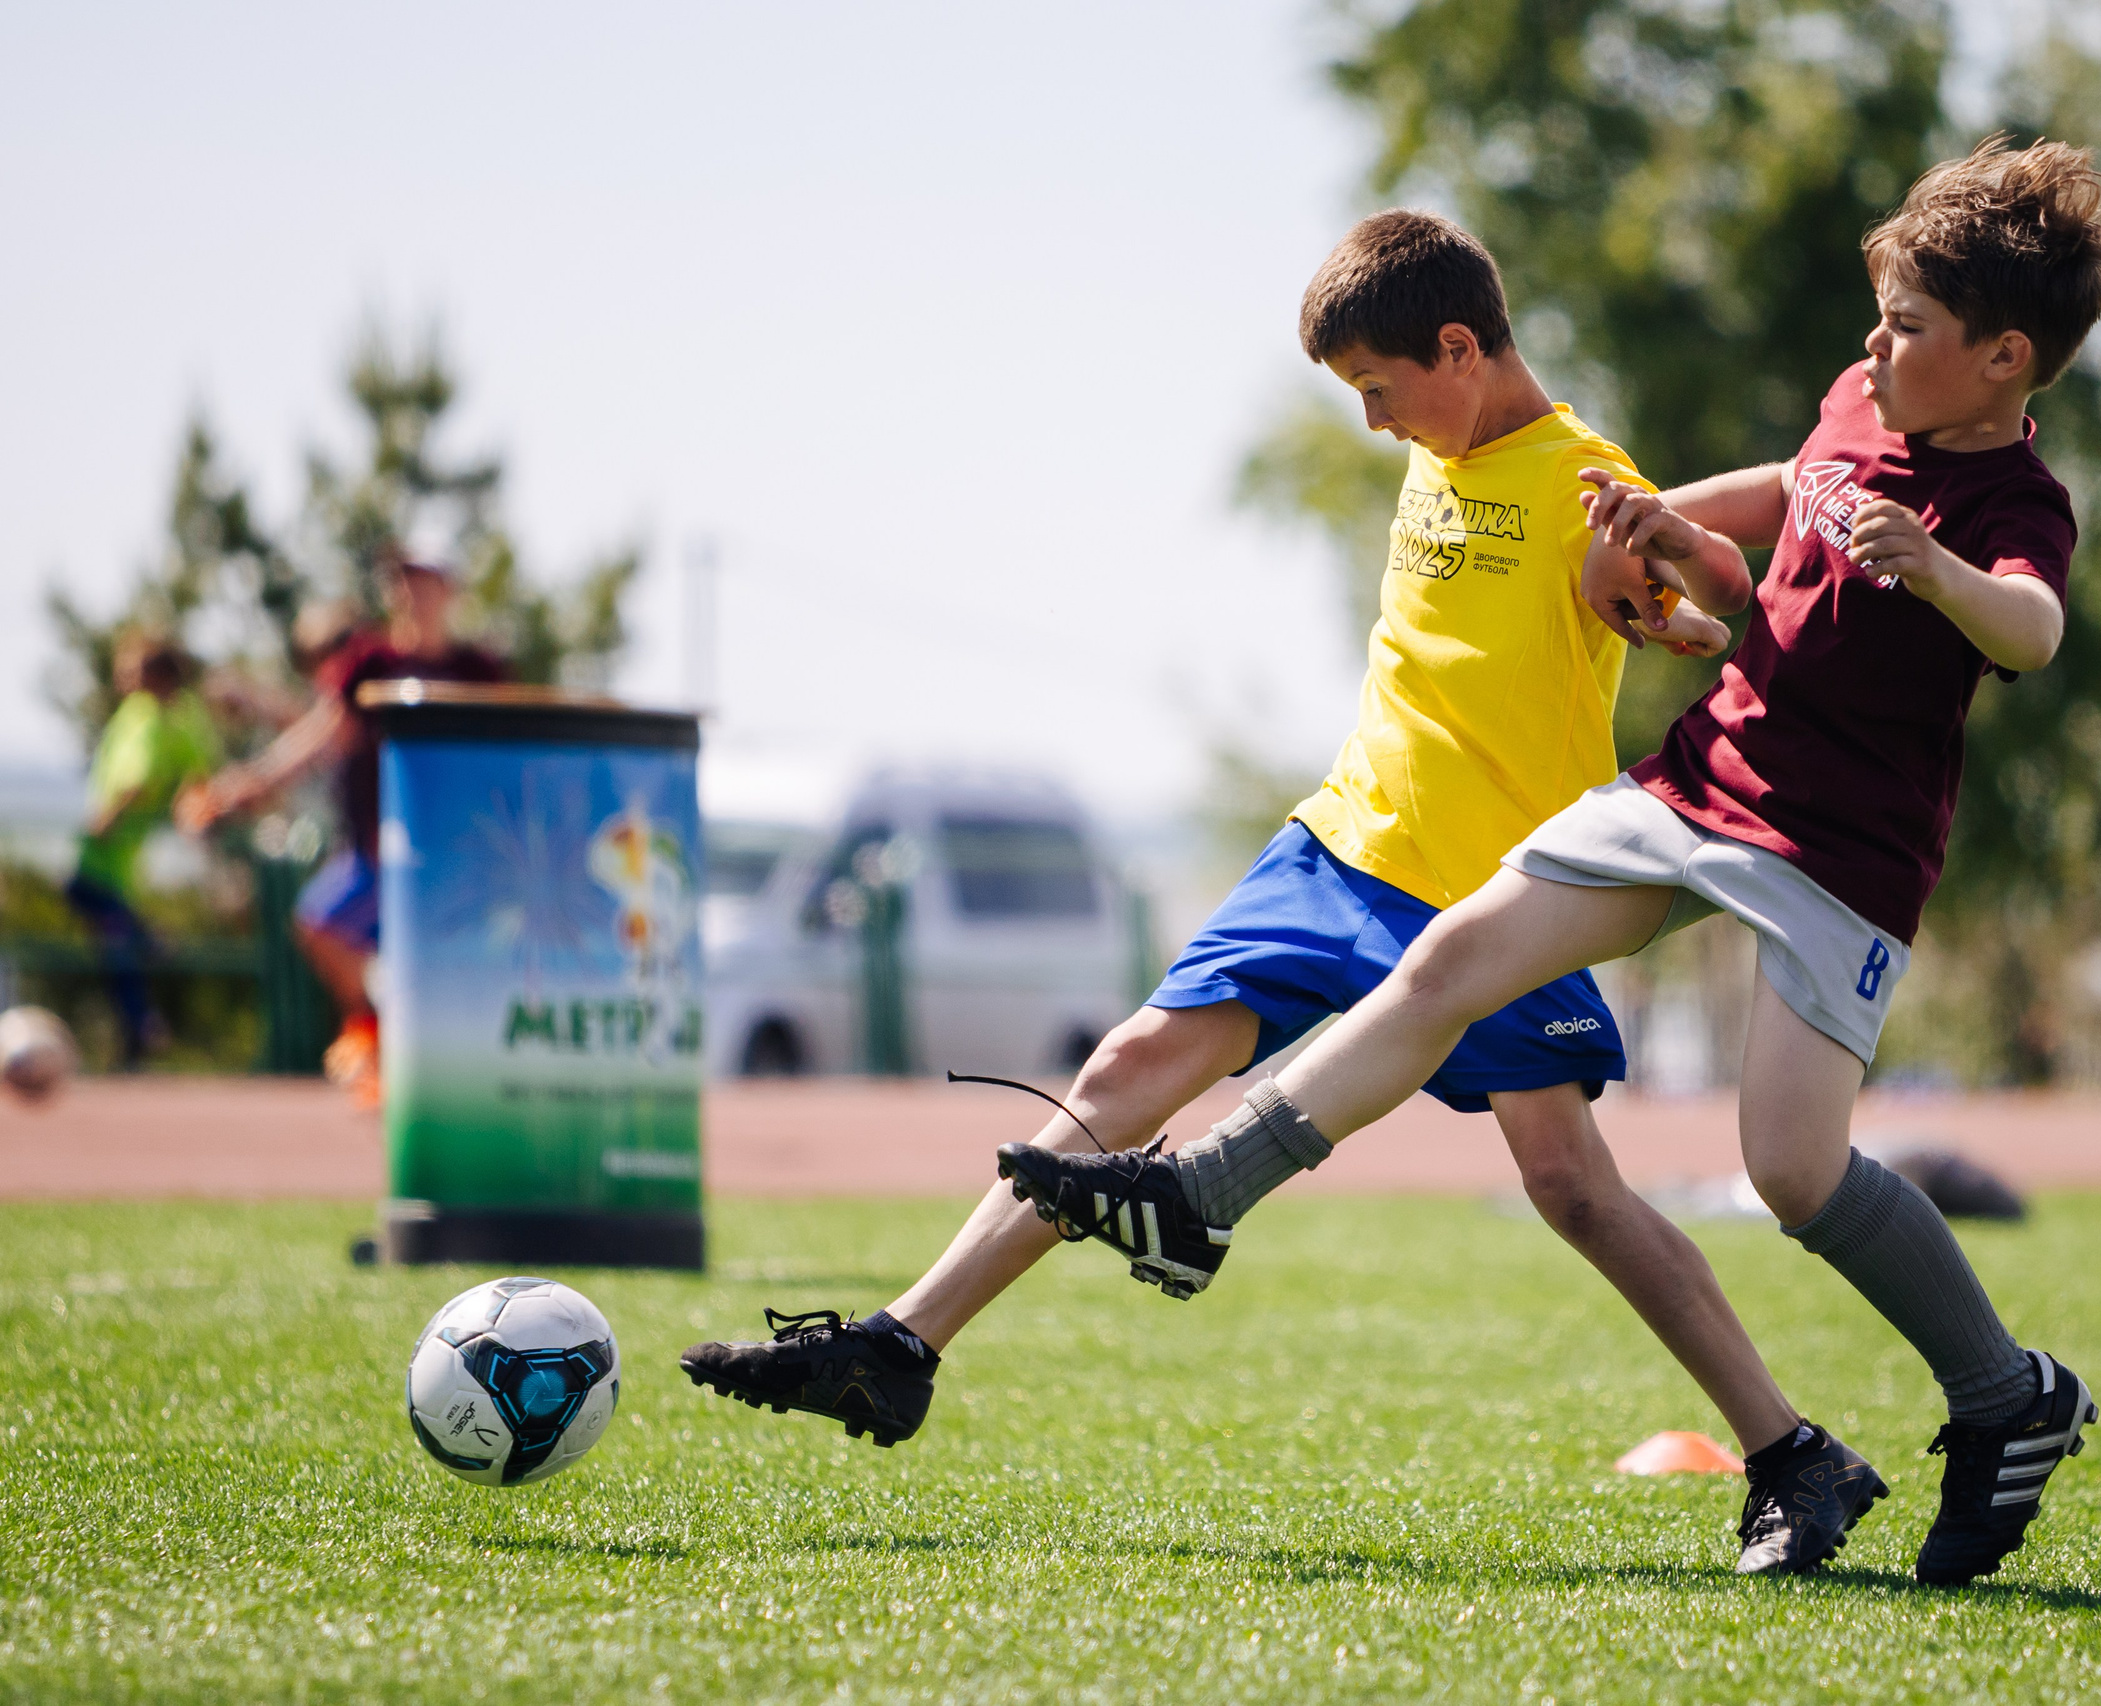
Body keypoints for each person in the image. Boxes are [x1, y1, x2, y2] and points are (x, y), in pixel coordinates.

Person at [683, 210, 1890, 1575]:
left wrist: (1671, 592)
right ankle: (902, 1343)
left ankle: (1792, 1452)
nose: (1373, 423)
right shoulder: (1439, 449)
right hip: (1336, 842)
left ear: (1455, 348)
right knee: (1141, 1052)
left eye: (1378, 390)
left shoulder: (1584, 477)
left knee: (1572, 1190)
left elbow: (1714, 594)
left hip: (1493, 895)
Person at [1000, 137, 2101, 1589]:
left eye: (1908, 325)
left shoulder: (2013, 504)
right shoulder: (1862, 399)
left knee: (1790, 1170)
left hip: (1839, 856)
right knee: (1451, 959)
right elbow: (1797, 482)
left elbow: (2030, 626)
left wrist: (1942, 571)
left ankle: (2007, 1398)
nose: (1874, 342)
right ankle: (1203, 1187)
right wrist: (1668, 514)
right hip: (1702, 778)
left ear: (2005, 358)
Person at [178, 555, 507, 1101]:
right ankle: (375, 1030)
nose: (410, 592)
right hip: (379, 849)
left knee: (447, 968)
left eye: (423, 580)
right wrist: (248, 783)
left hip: (453, 856)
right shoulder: (372, 662)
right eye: (402, 580)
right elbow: (324, 732)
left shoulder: (478, 668)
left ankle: (428, 1062)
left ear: (450, 589)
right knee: (320, 924)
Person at [65, 633, 223, 1067]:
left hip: (113, 845)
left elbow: (142, 777)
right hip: (117, 849)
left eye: (131, 668)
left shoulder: (153, 716)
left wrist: (111, 815)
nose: (121, 676)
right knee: (113, 938)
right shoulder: (154, 712)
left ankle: (147, 943)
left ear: (153, 675)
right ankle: (138, 1023)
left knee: (87, 899)